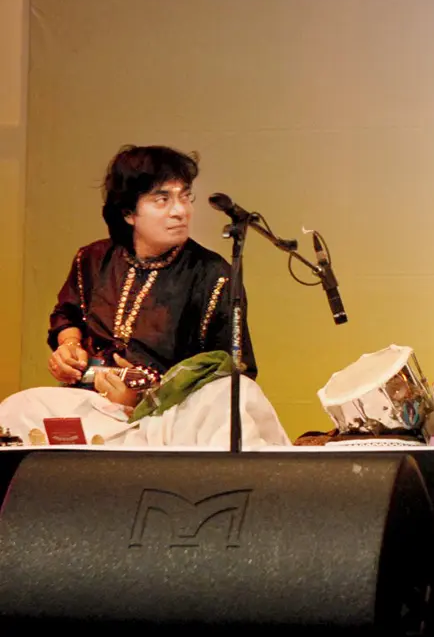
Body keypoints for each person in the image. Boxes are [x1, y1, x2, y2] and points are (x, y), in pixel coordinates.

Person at [0, 146, 290, 447]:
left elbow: (233, 368)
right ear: (128, 213)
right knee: (18, 409)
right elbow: (68, 314)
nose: (180, 210)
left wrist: (149, 396)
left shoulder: (213, 274)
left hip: (172, 417)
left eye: (184, 196)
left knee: (237, 394)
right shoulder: (93, 259)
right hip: (95, 409)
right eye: (162, 199)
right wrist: (68, 348)